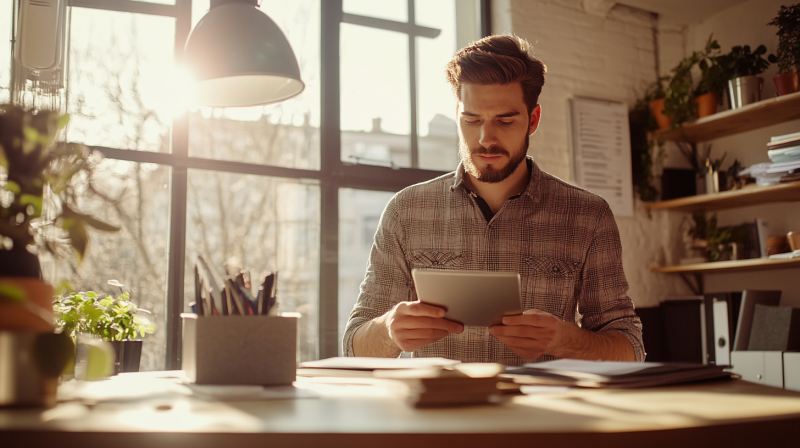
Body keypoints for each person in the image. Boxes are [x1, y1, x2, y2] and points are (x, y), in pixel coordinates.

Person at [343, 35, 643, 365]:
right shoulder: (405, 211)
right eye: (471, 120)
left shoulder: (589, 216)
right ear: (457, 115)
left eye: (504, 120)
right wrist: (387, 331)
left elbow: (631, 350)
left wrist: (566, 341)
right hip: (437, 413)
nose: (486, 139)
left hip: (547, 415)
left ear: (533, 120)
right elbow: (353, 347)